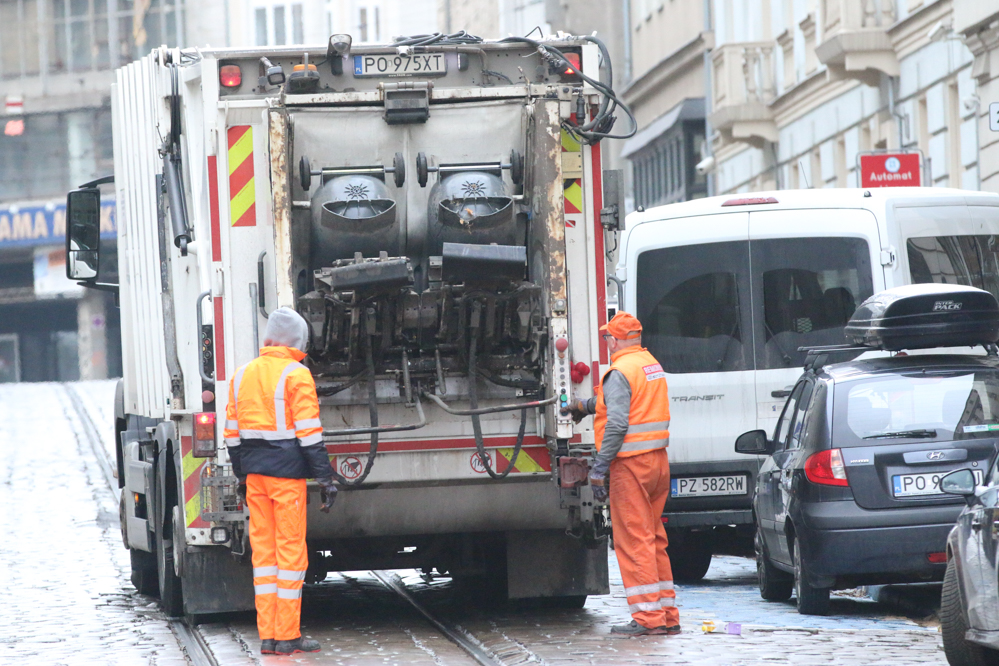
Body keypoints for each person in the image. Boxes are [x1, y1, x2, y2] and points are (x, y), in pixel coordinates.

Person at [223, 307, 339, 656]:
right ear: (299, 343)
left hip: (255, 477)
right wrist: (325, 478)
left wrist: (243, 475)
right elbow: (309, 435)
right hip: (287, 480)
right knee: (290, 556)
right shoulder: (297, 375)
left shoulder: (242, 375)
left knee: (265, 557)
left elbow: (231, 435)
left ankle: (269, 636)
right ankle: (288, 635)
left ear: (269, 339)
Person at [564, 311, 679, 636]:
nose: (607, 342)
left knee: (633, 540)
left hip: (630, 465)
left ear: (615, 340)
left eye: (608, 337)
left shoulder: (618, 371)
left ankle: (647, 619)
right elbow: (627, 402)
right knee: (654, 537)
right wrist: (585, 405)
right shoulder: (649, 364)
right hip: (657, 462)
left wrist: (600, 466)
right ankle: (667, 615)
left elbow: (617, 422)